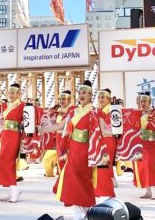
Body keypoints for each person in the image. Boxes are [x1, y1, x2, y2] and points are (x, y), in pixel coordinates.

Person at [51, 82, 105, 220]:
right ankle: (80, 214)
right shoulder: (73, 110)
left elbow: (103, 129)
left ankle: (86, 210)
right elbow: (64, 127)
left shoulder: (94, 111)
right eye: (80, 93)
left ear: (90, 95)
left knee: (83, 181)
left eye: (84, 93)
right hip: (73, 148)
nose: (81, 95)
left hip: (86, 150)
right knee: (72, 180)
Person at [0, 83, 25, 203]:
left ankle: (15, 190)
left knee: (8, 161)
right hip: (6, 135)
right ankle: (12, 191)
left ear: (19, 94)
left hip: (13, 135)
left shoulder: (22, 105)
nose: (11, 95)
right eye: (10, 93)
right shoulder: (8, 106)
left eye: (13, 93)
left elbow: (28, 120)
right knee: (3, 161)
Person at [94, 88, 118, 198]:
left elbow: (117, 128)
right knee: (101, 166)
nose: (100, 99)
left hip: (108, 140)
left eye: (103, 97)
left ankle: (106, 193)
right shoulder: (98, 110)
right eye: (99, 97)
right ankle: (103, 191)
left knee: (104, 167)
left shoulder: (113, 110)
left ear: (108, 98)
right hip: (100, 140)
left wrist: (104, 131)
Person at [43, 92, 72, 177]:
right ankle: (62, 176)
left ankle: (65, 176)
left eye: (64, 99)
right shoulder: (57, 111)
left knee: (64, 158)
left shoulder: (71, 111)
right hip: (58, 137)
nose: (61, 101)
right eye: (60, 99)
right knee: (57, 159)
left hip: (66, 138)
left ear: (69, 100)